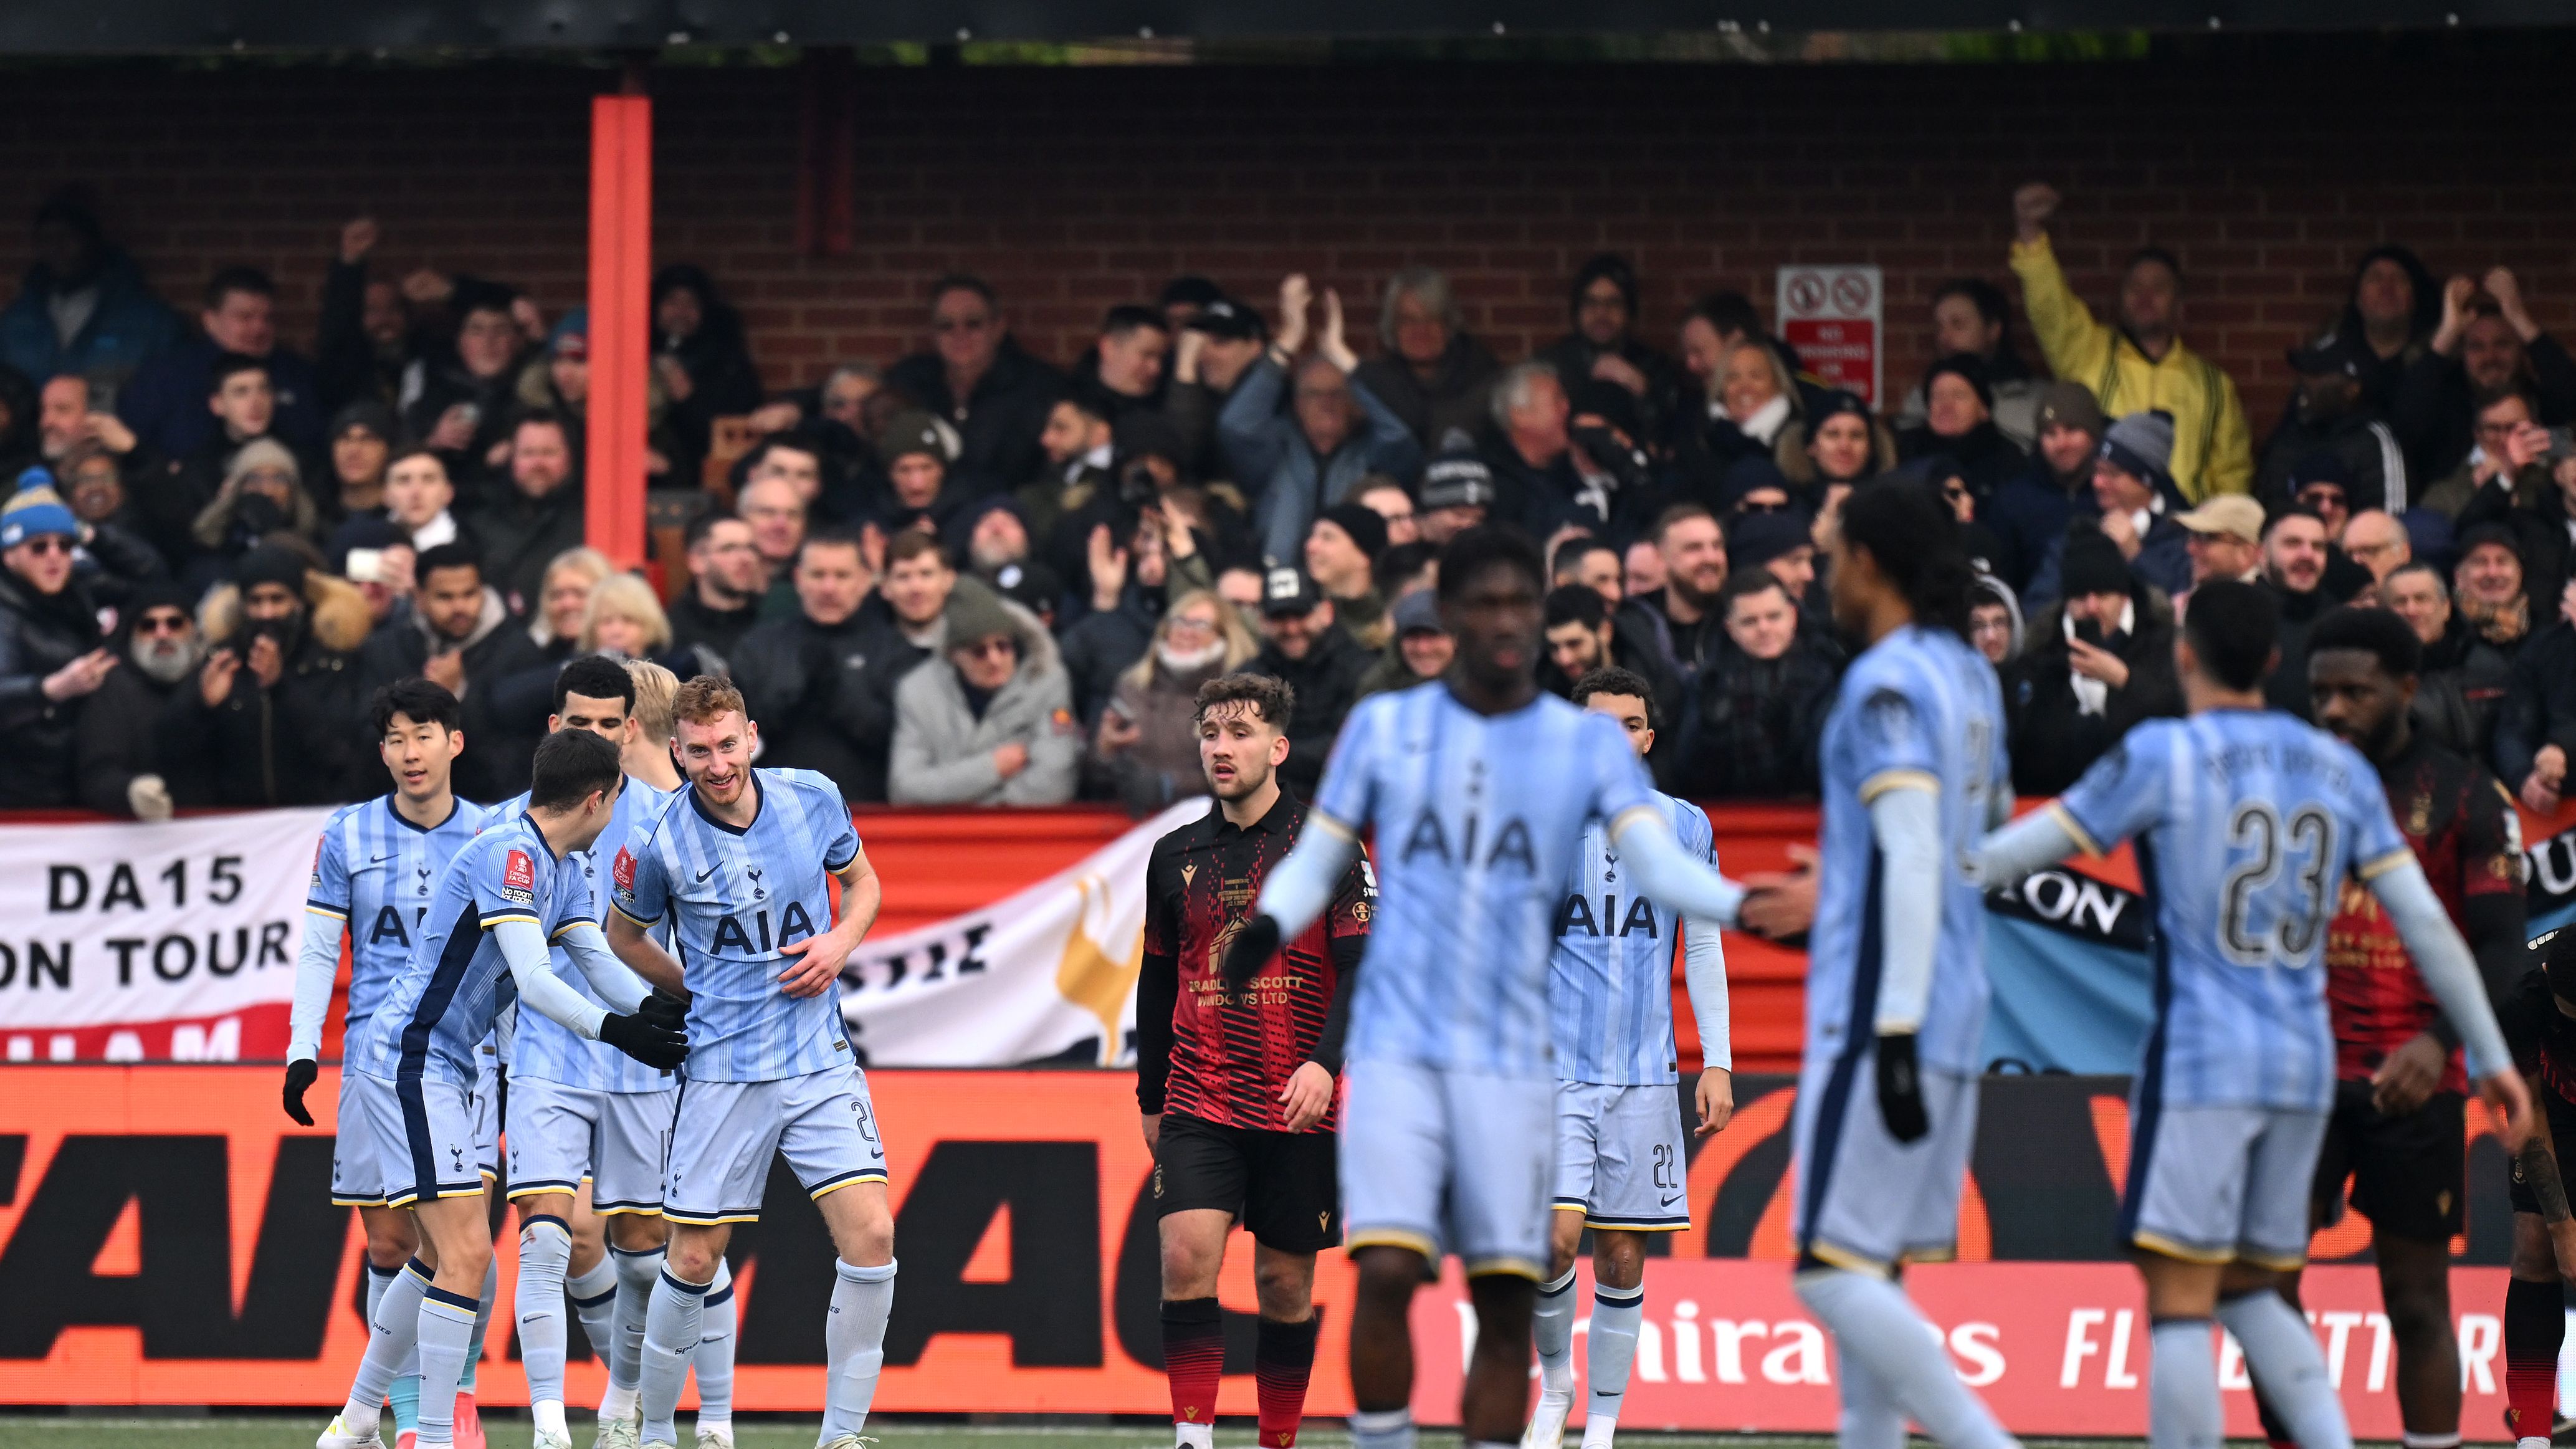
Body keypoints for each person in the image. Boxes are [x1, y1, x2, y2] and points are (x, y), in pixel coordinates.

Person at [1217, 526, 1751, 1449]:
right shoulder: (1385, 728)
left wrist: (1755, 904)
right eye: (1487, 603)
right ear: (1449, 615)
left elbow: (1663, 873)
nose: (1507, 620)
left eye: (1523, 604)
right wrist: (1270, 920)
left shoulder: (1576, 747)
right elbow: (1323, 854)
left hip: (1514, 1057)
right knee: (1384, 1268)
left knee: (1506, 1296)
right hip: (1398, 1044)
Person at [1972, 579, 2531, 1449]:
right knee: (2249, 1290)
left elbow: (2010, 856)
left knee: (2180, 1301)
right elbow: (2425, 920)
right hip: (2304, 1063)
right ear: (2275, 662)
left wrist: (1884, 868)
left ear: (2184, 654)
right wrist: (2490, 1053)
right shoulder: (2337, 768)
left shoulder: (2163, 752)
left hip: (2206, 1061)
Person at [1729, 479, 2023, 1449]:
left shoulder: (1883, 679)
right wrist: (1845, 879)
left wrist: (1889, 1023)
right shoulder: (1970, 672)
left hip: (1881, 1012)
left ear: (1866, 561)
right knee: (1870, 1266)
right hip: (1955, 994)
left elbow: (1910, 849)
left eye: (1825, 552)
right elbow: (1975, 839)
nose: (1817, 574)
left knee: (1825, 1269)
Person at [314, 728, 684, 1449]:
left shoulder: (565, 865)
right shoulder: (507, 852)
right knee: (468, 1257)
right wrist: (617, 1032)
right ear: (597, 798)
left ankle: (358, 1418)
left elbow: (596, 960)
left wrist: (659, 1009)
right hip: (410, 1059)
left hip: (446, 1065)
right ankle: (433, 1436)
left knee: (436, 1254)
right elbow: (538, 980)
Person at [2249, 606, 2531, 1449]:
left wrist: (2440, 1041)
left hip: (2413, 1080)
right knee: (2260, 1286)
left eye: (2353, 692)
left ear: (2405, 690)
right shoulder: (2279, 787)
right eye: (2319, 692)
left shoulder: (2465, 794)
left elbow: (2500, 947)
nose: (2332, 709)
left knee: (2414, 1302)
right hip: (2293, 1077)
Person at [604, 676, 894, 1449]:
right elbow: (623, 937)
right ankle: (658, 1430)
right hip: (723, 1072)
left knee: (871, 1239)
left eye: (727, 745)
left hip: (818, 1061)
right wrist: (691, 985)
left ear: (752, 735)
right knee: (693, 1258)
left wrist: (837, 944)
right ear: (676, 750)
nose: (716, 763)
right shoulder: (658, 840)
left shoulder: (813, 797)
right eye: (697, 750)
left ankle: (841, 1438)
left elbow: (863, 884)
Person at [482, 661, 729, 1449]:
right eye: (575, 723)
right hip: (547, 1056)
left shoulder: (673, 820)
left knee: (642, 1252)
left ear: (631, 730)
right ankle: (549, 1425)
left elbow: (684, 939)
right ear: (554, 727)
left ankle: (623, 1400)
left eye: (605, 724)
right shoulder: (504, 828)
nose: (589, 736)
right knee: (547, 1238)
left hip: (641, 1060)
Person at [1137, 672, 1373, 1449]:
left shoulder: (1330, 850)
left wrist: (1325, 1064)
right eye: (1210, 732)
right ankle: (1192, 1439)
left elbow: (1363, 972)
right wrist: (1149, 1097)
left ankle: (1277, 1441)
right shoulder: (1174, 854)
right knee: (1185, 1256)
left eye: (1239, 733)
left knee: (1282, 1285)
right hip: (1199, 1095)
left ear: (1277, 747)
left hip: (1299, 1099)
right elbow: (1158, 978)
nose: (1220, 747)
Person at [1525, 666, 1735, 1449]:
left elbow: (1704, 941)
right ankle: (1556, 1388)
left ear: (1648, 736)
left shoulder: (1684, 825)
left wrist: (1717, 1059)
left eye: (1629, 724)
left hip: (1647, 1077)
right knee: (1551, 1241)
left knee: (1620, 1255)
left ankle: (1603, 1426)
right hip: (1556, 1074)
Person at [287, 680, 490, 1449]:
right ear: (383, 753)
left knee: (461, 1241)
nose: (411, 752)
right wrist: (303, 1045)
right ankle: (396, 1414)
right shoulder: (348, 834)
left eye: (425, 735)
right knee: (391, 1244)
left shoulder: (490, 833)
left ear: (455, 742)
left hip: (468, 1060)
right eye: (397, 739)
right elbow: (318, 946)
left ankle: (441, 1411)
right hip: (377, 1061)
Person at [2008, 183, 2253, 502]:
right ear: (2120, 299)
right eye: (2135, 287)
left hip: (2181, 533)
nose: (2145, 296)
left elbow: (2233, 477)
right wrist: (2030, 233)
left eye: (2159, 288)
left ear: (2181, 306)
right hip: (2102, 513)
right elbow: (2050, 307)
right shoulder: (2088, 352)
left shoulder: (2214, 385)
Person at [1221, 275, 1421, 567]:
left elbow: (1401, 432)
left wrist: (1342, 356)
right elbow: (1237, 426)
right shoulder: (1277, 449)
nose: (1326, 403)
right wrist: (1287, 342)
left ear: (1356, 404)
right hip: (1280, 588)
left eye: (1337, 393)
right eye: (1314, 394)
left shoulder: (1372, 452)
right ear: (1298, 405)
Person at [160, 543, 368, 806]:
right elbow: (173, 751)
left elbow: (339, 751)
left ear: (299, 603)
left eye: (277, 599)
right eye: (256, 601)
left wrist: (281, 688)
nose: (266, 613)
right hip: (241, 827)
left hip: (311, 820)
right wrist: (201, 707)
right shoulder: (222, 662)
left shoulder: (331, 662)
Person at [730, 530, 905, 805]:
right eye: (818, 575)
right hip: (772, 812)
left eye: (841, 576)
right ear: (799, 579)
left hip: (866, 815)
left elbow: (899, 738)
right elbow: (737, 737)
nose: (829, 587)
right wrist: (787, 701)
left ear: (863, 581)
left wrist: (836, 694)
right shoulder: (760, 647)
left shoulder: (892, 649)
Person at [2006, 527, 2184, 796]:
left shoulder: (2164, 643)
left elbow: (2179, 712)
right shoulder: (2040, 653)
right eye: (2080, 597)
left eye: (2102, 595)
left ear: (2124, 596)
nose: (2091, 607)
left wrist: (2125, 681)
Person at [887, 576, 1080, 806]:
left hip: (1021, 834)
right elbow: (904, 788)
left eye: (1003, 646)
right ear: (954, 655)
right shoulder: (917, 691)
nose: (995, 660)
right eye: (980, 652)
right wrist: (992, 767)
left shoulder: (1046, 681)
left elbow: (1055, 780)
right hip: (943, 838)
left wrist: (981, 811)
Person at [883, 274, 1069, 495]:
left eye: (973, 324)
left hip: (1008, 518)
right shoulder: (908, 384)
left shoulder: (1039, 387)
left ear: (998, 328)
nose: (960, 334)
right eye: (946, 325)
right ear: (933, 333)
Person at [122, 265, 327, 459]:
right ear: (210, 321)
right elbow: (136, 444)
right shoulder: (166, 375)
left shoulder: (298, 375)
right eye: (245, 318)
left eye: (268, 318)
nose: (259, 328)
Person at [2395, 269, 2576, 480]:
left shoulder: (2540, 405)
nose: (2490, 357)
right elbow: (2405, 422)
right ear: (2462, 353)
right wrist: (2448, 333)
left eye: (2502, 344)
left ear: (2520, 349)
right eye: (2476, 347)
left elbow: (2571, 400)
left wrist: (2519, 319)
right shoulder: (2445, 405)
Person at [0, 189, 181, 399]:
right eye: (47, 239)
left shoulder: (151, 323)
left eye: (68, 237)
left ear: (93, 241)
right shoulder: (14, 324)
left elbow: (173, 399)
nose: (57, 248)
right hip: (35, 432)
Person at [1094, 588, 1260, 816]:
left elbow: (1246, 770)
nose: (1185, 632)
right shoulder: (1133, 686)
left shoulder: (1239, 695)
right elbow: (1094, 776)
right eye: (1179, 622)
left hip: (1208, 826)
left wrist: (1168, 785)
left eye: (1200, 625)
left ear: (1224, 636)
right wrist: (1105, 752)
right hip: (1130, 825)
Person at [1677, 569, 1839, 800]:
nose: (1763, 629)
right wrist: (1712, 735)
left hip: (1811, 818)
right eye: (1749, 621)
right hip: (1734, 824)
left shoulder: (1829, 674)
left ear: (1793, 616)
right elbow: (1688, 777)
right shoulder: (1708, 684)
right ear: (1730, 628)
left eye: (1773, 617)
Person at [0, 469, 110, 805]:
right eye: (39, 546)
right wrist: (52, 689)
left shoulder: (78, 595)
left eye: (65, 545)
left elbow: (152, 576)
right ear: (9, 555)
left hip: (77, 777)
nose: (54, 556)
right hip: (19, 790)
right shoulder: (4, 612)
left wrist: (92, 536)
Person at [75, 580, 200, 818]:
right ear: (132, 636)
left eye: (174, 623)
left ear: (193, 630)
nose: (162, 634)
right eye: (148, 626)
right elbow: (95, 776)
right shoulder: (113, 691)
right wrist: (129, 792)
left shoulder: (215, 679)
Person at [1248, 567, 1371, 800]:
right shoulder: (1248, 678)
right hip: (1266, 809)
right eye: (1280, 618)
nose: (1292, 628)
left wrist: (1265, 752)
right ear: (1263, 621)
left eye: (1300, 615)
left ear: (1326, 612)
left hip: (1342, 805)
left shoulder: (1360, 670)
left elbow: (1347, 752)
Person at [2259, 332, 2412, 517]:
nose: (2305, 381)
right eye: (2306, 373)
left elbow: (2387, 524)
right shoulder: (2288, 437)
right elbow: (2268, 514)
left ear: (2352, 389)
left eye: (2318, 374)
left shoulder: (2374, 441)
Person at [353, 542, 512, 717]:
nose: (459, 607)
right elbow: (368, 730)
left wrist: (457, 695)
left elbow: (516, 739)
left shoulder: (516, 652)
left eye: (469, 594)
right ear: (420, 598)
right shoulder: (383, 651)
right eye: (445, 597)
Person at [1350, 265, 1502, 449]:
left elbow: (1431, 425)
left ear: (1448, 324)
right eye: (1408, 320)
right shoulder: (1384, 377)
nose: (1420, 331)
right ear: (1392, 326)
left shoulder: (1482, 374)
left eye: (1431, 318)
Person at [1892, 279, 2046, 448]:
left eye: (1958, 325)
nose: (1945, 337)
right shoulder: (1920, 400)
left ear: (1993, 330)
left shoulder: (2035, 399)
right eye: (1939, 327)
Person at [649, 265, 763, 485]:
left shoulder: (728, 363)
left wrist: (689, 398)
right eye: (671, 302)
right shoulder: (633, 351)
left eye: (691, 304)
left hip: (702, 480)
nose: (680, 312)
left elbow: (739, 430)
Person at [470, 412, 586, 617]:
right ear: (512, 460)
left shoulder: (593, 521)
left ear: (570, 459)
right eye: (528, 453)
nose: (538, 464)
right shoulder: (480, 525)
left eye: (549, 453)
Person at [1616, 504, 1728, 689]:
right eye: (1694, 548)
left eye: (1717, 546)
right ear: (1661, 558)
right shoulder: (1635, 626)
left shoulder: (1743, 617)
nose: (1711, 557)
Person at [2493, 580, 2576, 815]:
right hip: (2559, 811)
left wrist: (2563, 747)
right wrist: (2525, 779)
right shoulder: (2543, 648)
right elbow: (2513, 728)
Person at [1896, 356, 2028, 500]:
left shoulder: (2008, 460)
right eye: (1938, 396)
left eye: (1959, 396)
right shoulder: (1905, 452)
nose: (1946, 405)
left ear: (1984, 409)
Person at [2258, 507, 2336, 719]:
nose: (2307, 555)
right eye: (2293, 544)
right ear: (2261, 553)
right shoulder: (2235, 617)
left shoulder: (2341, 622)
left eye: (2318, 547)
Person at [666, 511, 766, 664]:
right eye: (729, 549)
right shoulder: (670, 631)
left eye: (751, 548)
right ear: (697, 561)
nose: (745, 558)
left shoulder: (774, 619)